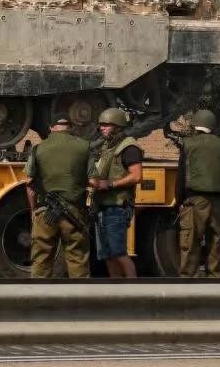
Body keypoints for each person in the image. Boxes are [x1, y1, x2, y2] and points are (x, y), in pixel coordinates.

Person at [24, 114, 92, 278]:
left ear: (51, 127)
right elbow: (94, 181)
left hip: (45, 212)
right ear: (71, 127)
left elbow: (29, 184)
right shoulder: (84, 146)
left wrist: (33, 210)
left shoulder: (38, 149)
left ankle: (39, 292)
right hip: (74, 213)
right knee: (78, 259)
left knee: (41, 259)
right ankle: (81, 293)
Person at [176, 109, 220, 278]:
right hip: (218, 202)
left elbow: (181, 176)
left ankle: (188, 278)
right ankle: (215, 277)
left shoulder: (188, 144)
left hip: (195, 201)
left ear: (195, 125)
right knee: (216, 241)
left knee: (190, 241)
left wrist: (179, 200)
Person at [88, 107, 142, 278]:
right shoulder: (107, 147)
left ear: (117, 126)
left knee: (119, 253)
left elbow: (137, 176)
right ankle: (116, 289)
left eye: (106, 125)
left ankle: (134, 288)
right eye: (101, 125)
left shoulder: (129, 147)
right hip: (102, 206)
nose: (101, 128)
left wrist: (111, 184)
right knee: (108, 255)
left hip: (117, 207)